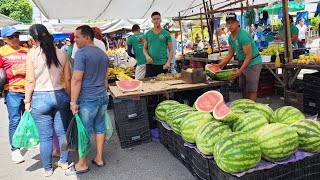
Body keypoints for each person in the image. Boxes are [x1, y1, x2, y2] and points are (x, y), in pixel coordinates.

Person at [24, 24, 71, 177]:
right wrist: (70, 99)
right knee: (62, 131)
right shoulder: (62, 53)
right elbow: (68, 79)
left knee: (45, 137)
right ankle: (64, 162)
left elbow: (30, 81)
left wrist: (27, 101)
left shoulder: (32, 54)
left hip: (40, 97)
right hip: (60, 95)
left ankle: (47, 169)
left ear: (32, 39)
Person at [66, 25, 109, 176]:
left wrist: (73, 102)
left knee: (84, 131)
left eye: (77, 37)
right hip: (102, 96)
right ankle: (99, 158)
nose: (75, 40)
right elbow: (105, 78)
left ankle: (82, 164)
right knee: (100, 127)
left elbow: (76, 79)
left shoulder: (81, 54)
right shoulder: (103, 54)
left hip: (88, 98)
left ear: (88, 37)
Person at [215, 13, 262, 102]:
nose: (230, 25)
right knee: (243, 87)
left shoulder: (243, 36)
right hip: (242, 62)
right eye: (228, 23)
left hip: (253, 62)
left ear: (237, 23)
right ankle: (245, 105)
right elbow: (230, 54)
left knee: (251, 89)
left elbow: (249, 56)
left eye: (232, 22)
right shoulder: (230, 37)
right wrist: (218, 65)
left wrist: (239, 71)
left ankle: (252, 110)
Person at [0, 26, 27, 164]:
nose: (16, 38)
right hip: (12, 91)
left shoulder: (26, 51)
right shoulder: (1, 52)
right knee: (15, 120)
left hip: (28, 91)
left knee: (28, 119)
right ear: (4, 38)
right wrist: (14, 73)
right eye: (11, 36)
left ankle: (29, 141)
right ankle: (15, 149)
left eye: (17, 35)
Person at [143, 11, 173, 77]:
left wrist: (168, 62)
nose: (156, 20)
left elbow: (171, 50)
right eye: (154, 19)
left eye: (157, 19)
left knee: (163, 85)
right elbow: (144, 48)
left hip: (162, 64)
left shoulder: (166, 33)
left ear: (160, 20)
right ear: (152, 21)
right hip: (150, 64)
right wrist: (147, 56)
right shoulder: (148, 34)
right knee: (149, 84)